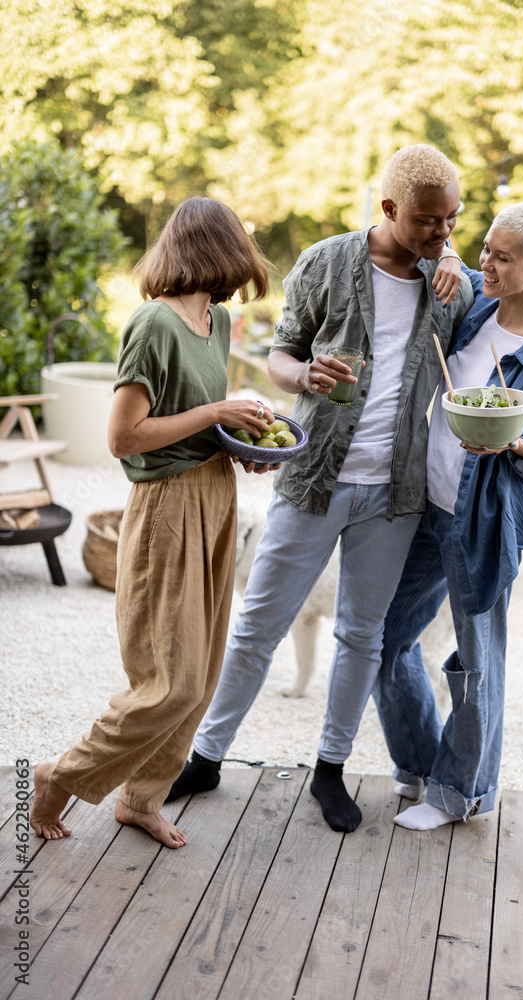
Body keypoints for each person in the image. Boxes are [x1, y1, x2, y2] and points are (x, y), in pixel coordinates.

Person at [168, 144, 473, 833]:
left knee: (361, 635)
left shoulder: (449, 280)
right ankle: (208, 755)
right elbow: (280, 352)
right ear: (389, 208)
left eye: (452, 220)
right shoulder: (327, 262)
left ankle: (330, 770)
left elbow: (497, 309)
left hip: (395, 491)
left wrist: (451, 259)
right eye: (429, 221)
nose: (441, 232)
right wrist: (301, 378)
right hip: (313, 476)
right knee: (256, 626)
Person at [30, 196, 275, 848]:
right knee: (171, 681)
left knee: (203, 679)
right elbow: (124, 437)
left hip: (215, 498)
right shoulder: (154, 324)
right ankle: (63, 773)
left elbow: (196, 419)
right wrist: (218, 411)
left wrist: (239, 445)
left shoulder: (214, 323)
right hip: (167, 506)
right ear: (217, 251)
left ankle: (141, 798)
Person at [373, 201, 523, 830]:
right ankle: (419, 764)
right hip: (427, 509)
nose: (488, 263)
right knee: (386, 639)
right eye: (486, 249)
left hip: (482, 523)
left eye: (504, 257)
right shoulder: (473, 308)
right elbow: (436, 252)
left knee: (475, 662)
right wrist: (460, 257)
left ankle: (461, 794)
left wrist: (517, 447)